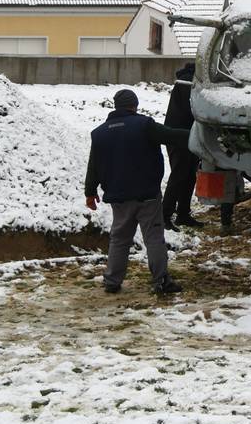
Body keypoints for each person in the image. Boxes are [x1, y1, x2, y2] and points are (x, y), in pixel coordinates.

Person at [85, 88, 189, 295]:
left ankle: (112, 281)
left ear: (116, 106)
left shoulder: (99, 133)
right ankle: (161, 281)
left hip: (119, 197)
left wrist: (90, 192)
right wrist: (197, 135)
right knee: (153, 238)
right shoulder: (144, 125)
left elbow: (93, 165)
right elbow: (172, 136)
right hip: (147, 194)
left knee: (119, 239)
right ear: (134, 105)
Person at [161, 63, 202, 230]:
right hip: (179, 137)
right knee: (179, 175)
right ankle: (164, 215)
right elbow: (193, 109)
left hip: (188, 136)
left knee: (189, 176)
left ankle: (183, 214)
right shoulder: (186, 83)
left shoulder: (188, 81)